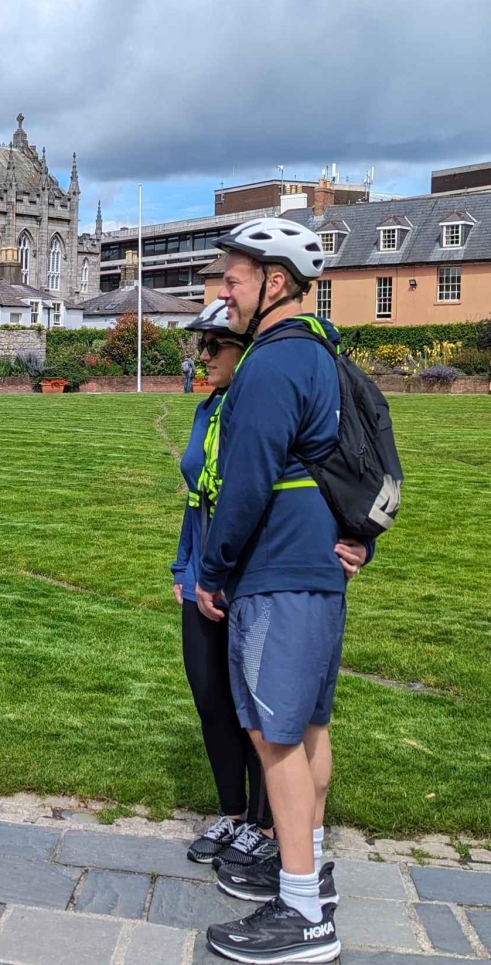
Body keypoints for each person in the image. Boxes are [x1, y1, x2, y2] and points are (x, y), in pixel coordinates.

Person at [194, 218, 371, 962]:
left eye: (233, 280)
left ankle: (302, 914)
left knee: (275, 739)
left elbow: (245, 482)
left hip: (277, 572)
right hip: (317, 570)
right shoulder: (324, 352)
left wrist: (212, 570)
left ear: (274, 281)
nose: (224, 294)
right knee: (310, 729)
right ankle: (311, 870)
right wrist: (361, 536)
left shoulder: (269, 364)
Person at [174, 301, 275, 869]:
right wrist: (182, 567)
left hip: (250, 580)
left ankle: (265, 823)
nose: (204, 356)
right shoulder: (206, 409)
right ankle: (233, 813)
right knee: (210, 699)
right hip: (201, 580)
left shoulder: (259, 413)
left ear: (247, 351)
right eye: (201, 346)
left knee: (256, 707)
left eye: (215, 346)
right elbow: (198, 498)